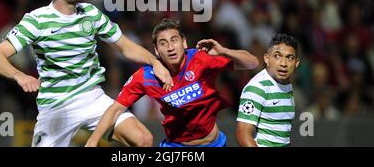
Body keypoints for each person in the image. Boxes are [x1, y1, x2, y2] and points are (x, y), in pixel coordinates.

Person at [0, 0, 173, 147]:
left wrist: (155, 62)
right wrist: (20, 76)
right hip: (56, 106)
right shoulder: (37, 20)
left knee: (144, 139)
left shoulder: (91, 13)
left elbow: (125, 47)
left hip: (92, 98)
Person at [85, 18, 259, 147]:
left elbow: (252, 63)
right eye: (163, 43)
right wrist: (92, 142)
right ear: (156, 50)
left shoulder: (201, 59)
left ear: (183, 43)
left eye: (174, 40)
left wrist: (224, 51)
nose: (170, 47)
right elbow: (115, 109)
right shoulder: (147, 76)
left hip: (214, 143)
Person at [235, 33, 300, 147]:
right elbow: (242, 135)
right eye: (277, 56)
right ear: (267, 59)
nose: (283, 63)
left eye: (289, 58)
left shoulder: (285, 84)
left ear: (296, 63)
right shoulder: (257, 88)